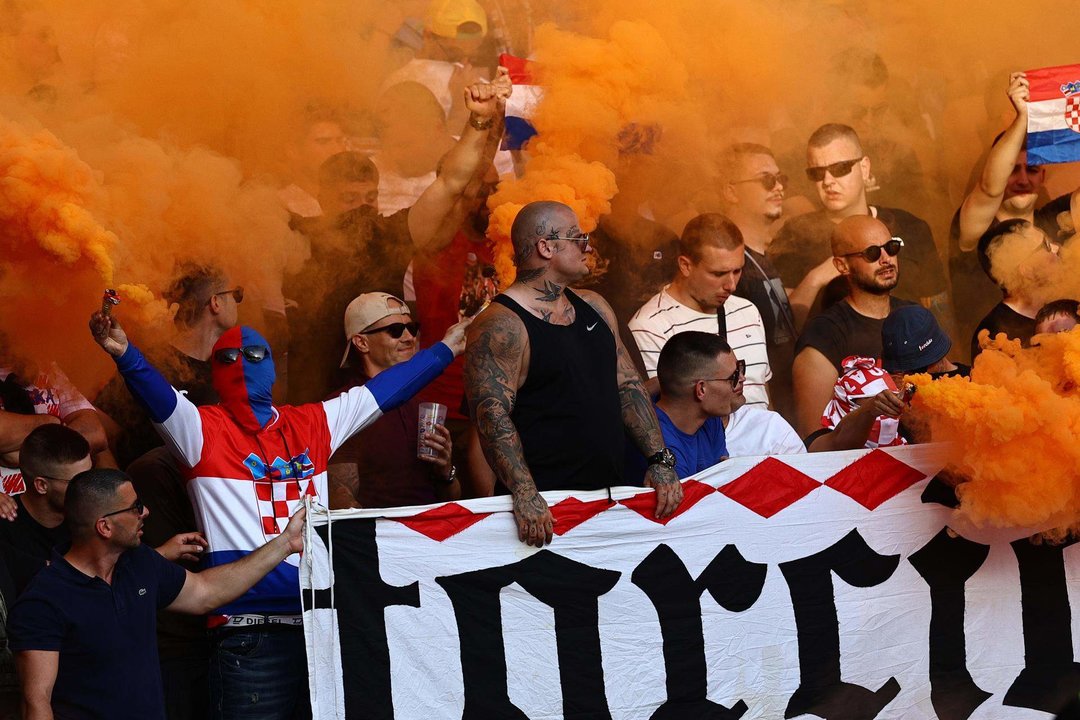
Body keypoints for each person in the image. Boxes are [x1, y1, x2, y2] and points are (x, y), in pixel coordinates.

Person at [88, 305, 468, 719]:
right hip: (247, 636)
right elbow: (156, 396)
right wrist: (124, 353)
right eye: (228, 358)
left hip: (319, 628)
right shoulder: (199, 430)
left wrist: (447, 348)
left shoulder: (314, 422)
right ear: (214, 372)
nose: (241, 365)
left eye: (254, 357)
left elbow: (388, 389)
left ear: (272, 367)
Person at [285, 68, 510, 404]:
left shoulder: (386, 235)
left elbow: (452, 183)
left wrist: (480, 120)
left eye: (369, 198)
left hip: (388, 396)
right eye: (348, 200)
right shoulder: (297, 238)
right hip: (319, 401)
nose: (361, 209)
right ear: (322, 198)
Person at [465, 200, 682, 548]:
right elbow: (492, 415)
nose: (588, 246)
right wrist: (524, 493)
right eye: (578, 238)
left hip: (608, 502)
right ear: (546, 247)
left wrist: (659, 459)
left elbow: (627, 386)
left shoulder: (595, 305)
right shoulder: (500, 323)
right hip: (546, 513)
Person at [8, 468, 306, 720]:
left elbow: (207, 592)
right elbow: (37, 701)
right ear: (105, 526)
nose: (145, 512)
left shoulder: (139, 563)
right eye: (136, 507)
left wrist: (285, 544)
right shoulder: (44, 600)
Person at [950, 72, 1080, 357]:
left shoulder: (1052, 220)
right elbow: (988, 188)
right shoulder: (977, 232)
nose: (1022, 179)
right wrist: (1022, 118)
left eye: (1032, 169)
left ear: (1043, 174)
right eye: (1012, 169)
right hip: (992, 364)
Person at [770, 123, 949, 328]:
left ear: (864, 168)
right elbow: (782, 330)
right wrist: (817, 277)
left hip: (909, 355)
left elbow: (939, 311)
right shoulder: (795, 235)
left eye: (840, 168)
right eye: (817, 173)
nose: (828, 180)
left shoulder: (911, 227)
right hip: (833, 356)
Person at [95, 263, 237, 468]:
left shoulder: (228, 369)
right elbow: (104, 422)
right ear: (215, 303)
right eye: (236, 294)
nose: (237, 302)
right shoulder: (151, 363)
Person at [328, 293, 460, 508]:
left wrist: (445, 471)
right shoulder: (345, 406)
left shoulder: (420, 404)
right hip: (382, 534)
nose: (409, 337)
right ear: (361, 343)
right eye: (395, 331)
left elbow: (451, 500)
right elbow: (341, 504)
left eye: (412, 328)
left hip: (429, 532)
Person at [629, 213, 772, 411]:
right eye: (718, 273)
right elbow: (665, 413)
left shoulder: (748, 311)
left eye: (737, 271)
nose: (731, 285)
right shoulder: (651, 327)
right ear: (685, 265)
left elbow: (762, 395)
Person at [792, 215, 914, 437]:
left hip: (922, 461)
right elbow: (814, 438)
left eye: (891, 247)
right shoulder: (824, 335)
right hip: (861, 466)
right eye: (872, 253)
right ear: (842, 265)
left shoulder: (914, 316)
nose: (886, 259)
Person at [645, 333, 803, 477]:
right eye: (733, 376)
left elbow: (722, 477)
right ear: (701, 389)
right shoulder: (659, 447)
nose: (742, 378)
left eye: (740, 368)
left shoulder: (710, 419)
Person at [721, 143, 799, 422]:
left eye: (781, 179)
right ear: (731, 191)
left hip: (786, 408)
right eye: (767, 180)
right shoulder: (730, 267)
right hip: (761, 413)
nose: (778, 187)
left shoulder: (763, 255)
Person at [0, 362, 112, 495]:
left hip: (64, 504)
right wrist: (52, 423)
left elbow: (95, 433)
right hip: (8, 508)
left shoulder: (47, 367)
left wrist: (24, 455)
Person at [971, 219, 1060, 359]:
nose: (1056, 248)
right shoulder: (995, 338)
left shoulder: (1062, 300)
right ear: (1027, 270)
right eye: (1046, 246)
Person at [278, 103, 348, 218]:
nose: (337, 151)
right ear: (293, 150)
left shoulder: (355, 202)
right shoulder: (280, 208)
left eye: (339, 141)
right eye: (323, 142)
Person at [881, 305, 968, 382]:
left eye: (918, 369)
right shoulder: (896, 389)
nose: (909, 377)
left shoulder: (975, 381)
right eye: (900, 372)